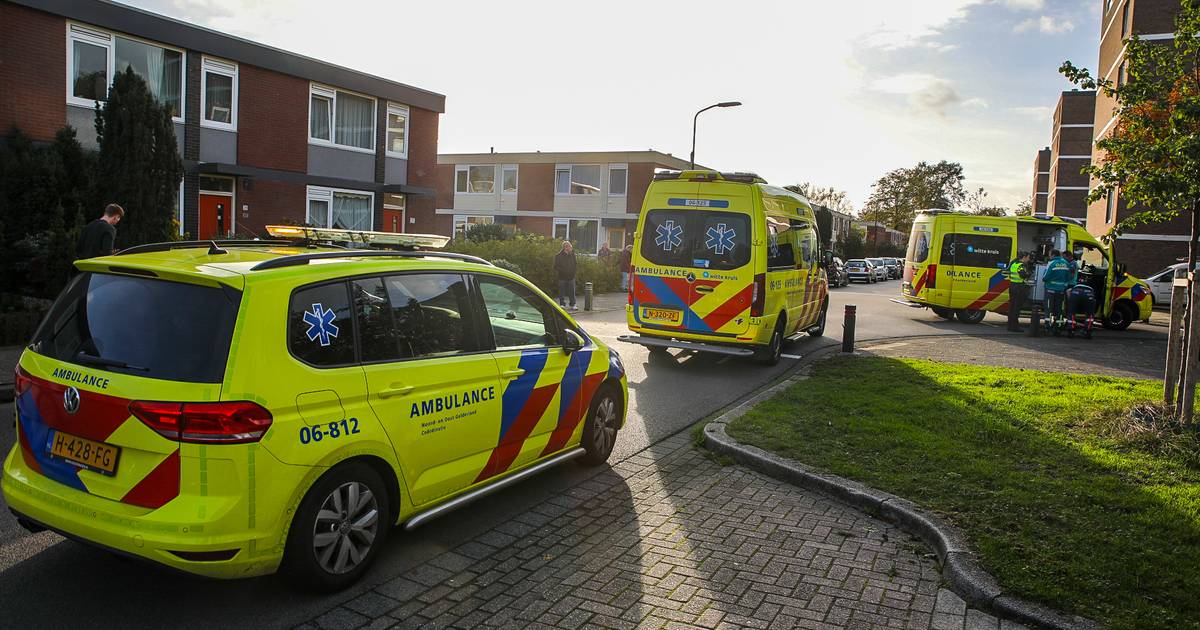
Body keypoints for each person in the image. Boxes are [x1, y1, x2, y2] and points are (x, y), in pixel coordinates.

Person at [1042, 249, 1072, 325]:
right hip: (1061, 291)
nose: (1049, 256)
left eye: (1049, 255)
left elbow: (1045, 277)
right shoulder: (1066, 263)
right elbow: (1069, 278)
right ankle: (1058, 325)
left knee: (1048, 308)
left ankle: (1047, 325)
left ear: (1053, 255)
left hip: (1050, 290)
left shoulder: (1051, 263)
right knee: (1059, 309)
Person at [1006, 251, 1033, 332]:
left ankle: (1010, 325)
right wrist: (1029, 274)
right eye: (1028, 257)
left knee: (1012, 307)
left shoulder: (1014, 264)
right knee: (1016, 307)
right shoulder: (1021, 265)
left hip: (1012, 286)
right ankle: (1015, 327)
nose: (1028, 259)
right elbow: (1022, 274)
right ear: (1024, 257)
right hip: (1019, 288)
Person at [554, 240, 578, 310]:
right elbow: (555, 266)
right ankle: (562, 304)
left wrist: (573, 272)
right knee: (562, 291)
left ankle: (573, 304)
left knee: (572, 291)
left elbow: (575, 264)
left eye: (571, 247)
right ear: (565, 247)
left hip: (571, 276)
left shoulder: (572, 255)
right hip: (562, 276)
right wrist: (562, 271)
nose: (571, 248)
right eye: (569, 247)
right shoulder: (558, 256)